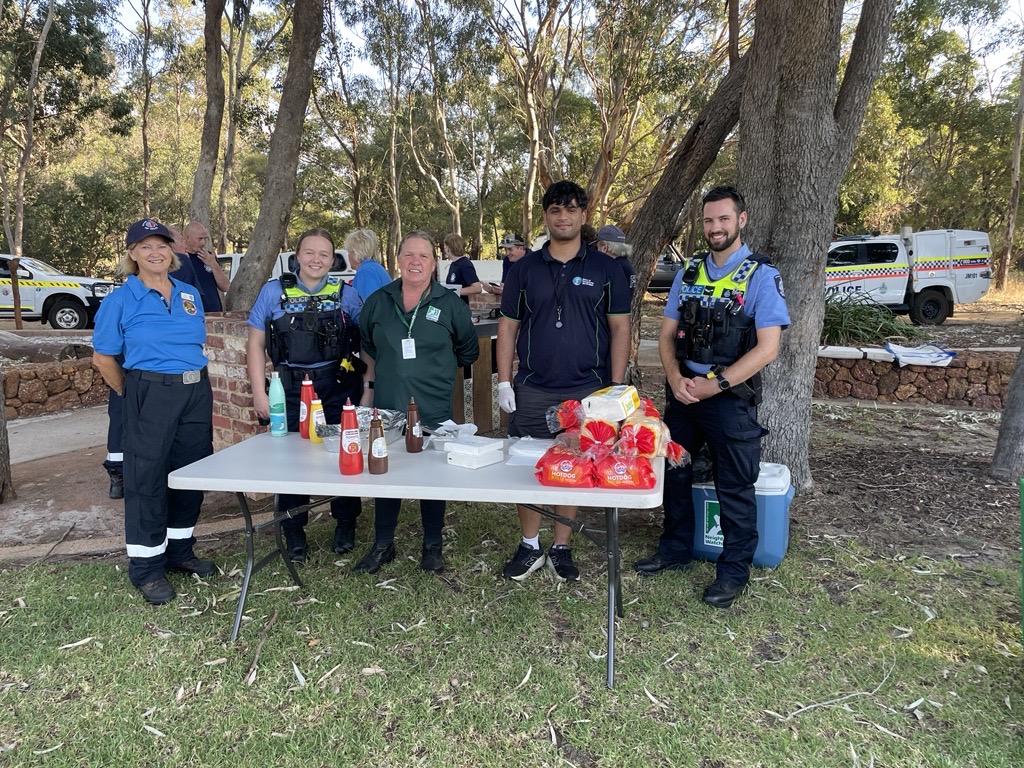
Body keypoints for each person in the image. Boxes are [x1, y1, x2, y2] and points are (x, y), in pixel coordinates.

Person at [634, 185, 790, 609]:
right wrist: (674, 376)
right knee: (676, 472)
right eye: (708, 220)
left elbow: (767, 347)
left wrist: (716, 384)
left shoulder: (761, 276)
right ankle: (675, 548)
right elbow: (667, 334)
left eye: (723, 219)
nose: (715, 227)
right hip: (684, 392)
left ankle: (734, 571)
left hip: (729, 399)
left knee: (735, 486)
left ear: (742, 220)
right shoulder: (689, 272)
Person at [496, 180, 631, 582]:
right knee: (528, 464)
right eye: (556, 210)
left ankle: (561, 546)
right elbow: (508, 327)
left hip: (586, 389)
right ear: (546, 216)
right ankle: (529, 544)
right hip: (534, 386)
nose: (564, 216)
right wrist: (504, 382)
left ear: (583, 215)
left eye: (571, 209)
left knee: (576, 464)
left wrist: (617, 388)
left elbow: (620, 328)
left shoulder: (606, 269)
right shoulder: (524, 269)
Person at [92, 218, 216, 605]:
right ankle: (146, 567)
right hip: (149, 392)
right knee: (147, 479)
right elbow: (103, 358)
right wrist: (132, 392)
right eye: (145, 246)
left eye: (161, 245)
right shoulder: (120, 300)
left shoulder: (188, 292)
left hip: (196, 390)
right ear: (132, 254)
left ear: (172, 251)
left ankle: (179, 551)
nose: (155, 252)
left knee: (189, 473)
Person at [356, 230, 479, 574]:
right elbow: (369, 343)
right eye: (408, 255)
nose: (415, 262)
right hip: (389, 407)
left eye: (423, 256)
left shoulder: (450, 304)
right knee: (385, 474)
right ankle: (383, 544)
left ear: (434, 263)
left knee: (432, 479)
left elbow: (468, 350)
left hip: (434, 407)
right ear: (397, 260)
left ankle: (432, 545)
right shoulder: (378, 301)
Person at [246, 228, 371, 562]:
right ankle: (293, 530)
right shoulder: (273, 292)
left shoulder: (347, 295)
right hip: (289, 388)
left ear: (333, 259)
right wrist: (260, 393)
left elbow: (368, 344)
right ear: (296, 255)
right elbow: (256, 344)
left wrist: (368, 389)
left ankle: (345, 522)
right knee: (290, 460)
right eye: (310, 252)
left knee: (343, 453)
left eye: (324, 254)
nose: (317, 260)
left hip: (338, 384)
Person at [169, 220, 229, 312]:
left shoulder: (209, 257)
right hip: (192, 312)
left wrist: (213, 264)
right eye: (199, 239)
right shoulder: (179, 259)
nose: (203, 243)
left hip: (215, 313)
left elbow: (226, 287)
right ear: (187, 238)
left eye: (205, 239)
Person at [345, 228, 392, 301]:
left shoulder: (365, 271)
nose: (348, 256)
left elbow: (370, 307)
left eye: (350, 252)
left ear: (357, 253)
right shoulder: (374, 267)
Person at [594, 224, 638, 297]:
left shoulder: (614, 268)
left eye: (596, 247)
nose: (595, 250)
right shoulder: (625, 264)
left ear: (604, 248)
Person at [443, 233, 483, 303]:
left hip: (461, 309)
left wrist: (454, 291)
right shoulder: (454, 264)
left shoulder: (465, 265)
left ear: (449, 248)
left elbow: (477, 288)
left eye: (446, 247)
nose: (445, 249)